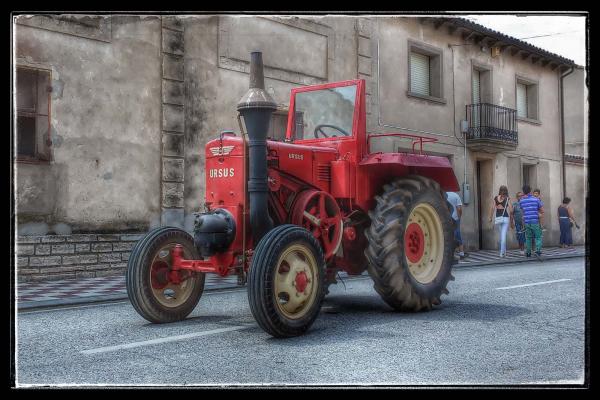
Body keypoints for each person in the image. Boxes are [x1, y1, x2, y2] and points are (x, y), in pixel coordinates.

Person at [519, 185, 545, 260]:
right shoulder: (536, 199)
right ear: (530, 190)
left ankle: (528, 252)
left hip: (527, 221)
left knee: (528, 237)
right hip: (535, 221)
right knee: (538, 236)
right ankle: (538, 250)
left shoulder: (521, 201)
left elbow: (523, 212)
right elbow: (542, 211)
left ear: (523, 191)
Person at [489, 185, 513, 257]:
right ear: (506, 191)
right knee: (503, 236)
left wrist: (490, 217)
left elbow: (492, 208)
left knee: (501, 235)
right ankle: (502, 253)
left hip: (498, 218)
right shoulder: (508, 199)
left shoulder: (496, 198)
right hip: (505, 218)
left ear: (500, 190)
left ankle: (503, 252)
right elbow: (511, 210)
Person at [446, 191, 467, 259]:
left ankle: (450, 253)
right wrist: (459, 217)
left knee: (448, 235)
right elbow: (459, 208)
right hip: (455, 218)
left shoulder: (444, 194)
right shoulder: (456, 196)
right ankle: (461, 252)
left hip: (447, 218)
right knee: (457, 233)